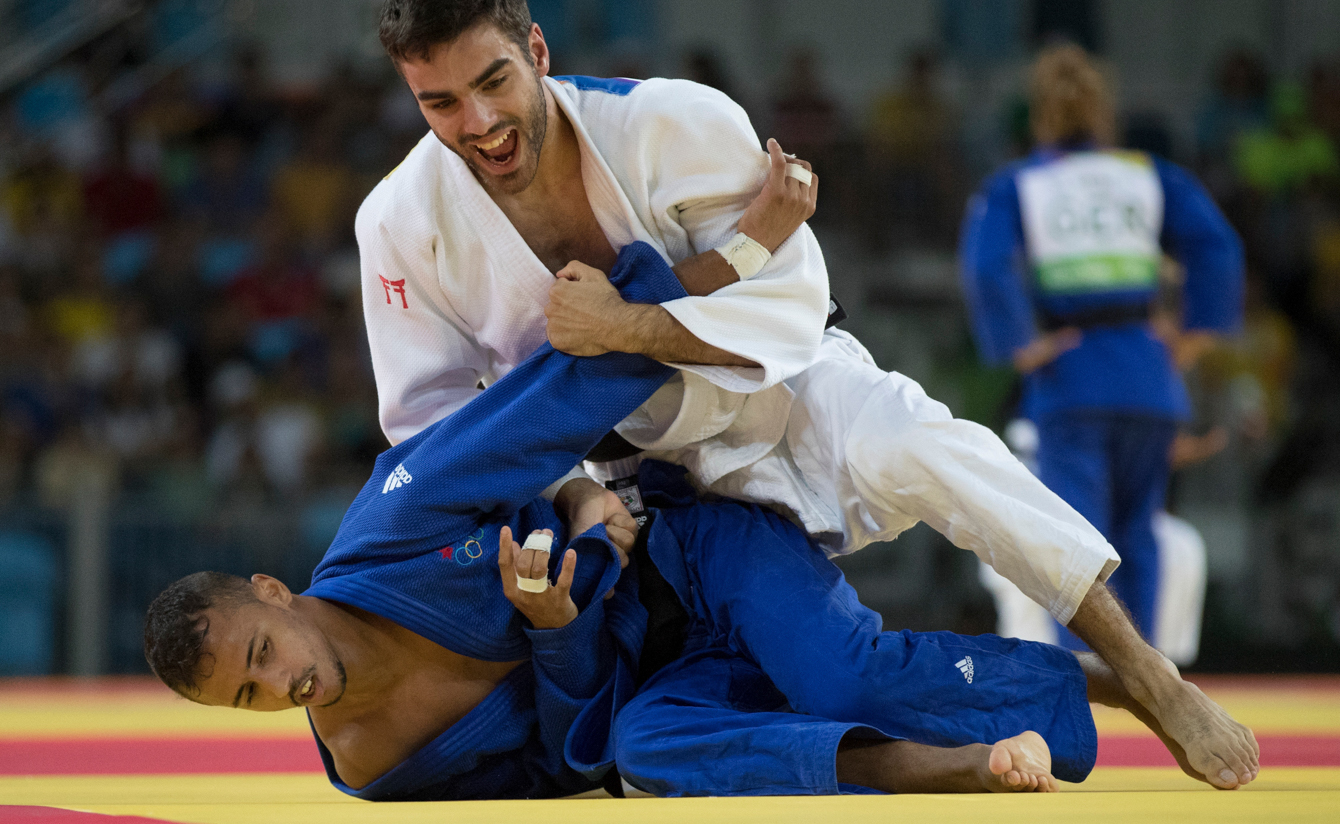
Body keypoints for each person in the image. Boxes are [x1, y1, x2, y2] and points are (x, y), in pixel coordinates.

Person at [358, 0, 1257, 789]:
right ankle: (975, 736)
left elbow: (789, 310)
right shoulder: (401, 222)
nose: (478, 125)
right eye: (440, 104)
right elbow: (436, 430)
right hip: (646, 485)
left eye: (493, 82)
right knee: (738, 707)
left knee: (932, 449)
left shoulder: (672, 123)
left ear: (537, 50)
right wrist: (570, 496)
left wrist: (625, 323)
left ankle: (1149, 673)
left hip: (789, 392)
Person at [143, 244, 1218, 799]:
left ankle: (1100, 677)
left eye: (262, 652)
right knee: (649, 752)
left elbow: (530, 415)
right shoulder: (371, 761)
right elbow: (564, 766)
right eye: (248, 695)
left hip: (693, 553)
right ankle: (953, 765)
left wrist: (662, 296)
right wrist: (558, 629)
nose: (282, 686)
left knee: (838, 672)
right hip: (654, 679)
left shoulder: (393, 520)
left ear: (271, 592)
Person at [959, 45, 1245, 653]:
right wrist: (1192, 337)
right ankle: (1148, 685)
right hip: (1148, 375)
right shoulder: (1147, 175)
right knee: (1139, 536)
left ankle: (1087, 679)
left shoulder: (1022, 184)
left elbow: (986, 266)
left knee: (1077, 545)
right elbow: (1217, 246)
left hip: (1072, 374)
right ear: (1104, 114)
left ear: (1040, 116)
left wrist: (1021, 345)